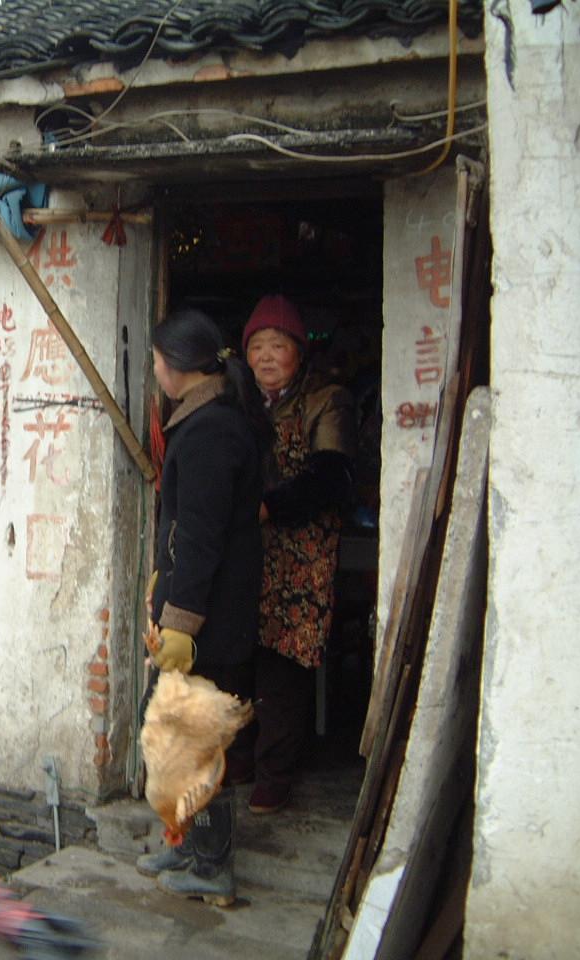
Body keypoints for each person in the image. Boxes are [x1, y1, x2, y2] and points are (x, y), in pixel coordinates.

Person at [135, 308, 269, 905]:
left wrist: (181, 623)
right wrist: (161, 584)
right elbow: (182, 532)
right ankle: (187, 844)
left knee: (196, 741)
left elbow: (201, 538)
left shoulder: (212, 431)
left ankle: (213, 866)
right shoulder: (203, 421)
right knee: (172, 734)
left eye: (156, 361)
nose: (155, 371)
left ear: (176, 365)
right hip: (201, 611)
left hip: (210, 622)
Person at [242, 295, 356, 814]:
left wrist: (271, 506)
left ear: (299, 352)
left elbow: (332, 476)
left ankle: (276, 774)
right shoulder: (240, 402)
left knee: (284, 664)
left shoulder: (327, 400)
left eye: (278, 345)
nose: (266, 357)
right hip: (249, 552)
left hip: (301, 557)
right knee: (239, 658)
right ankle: (240, 757)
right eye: (257, 347)